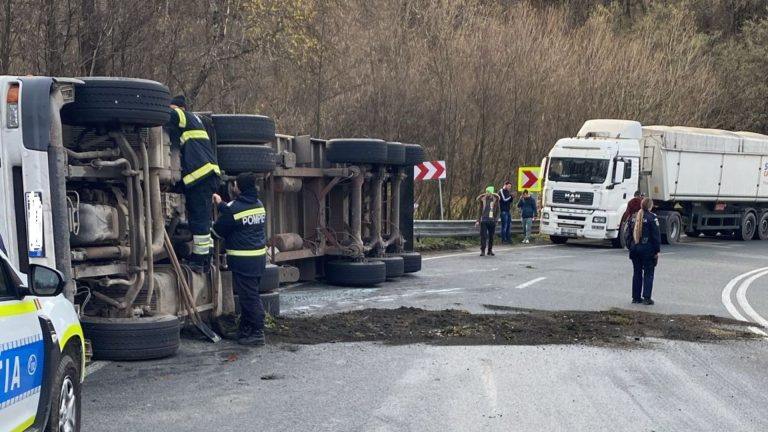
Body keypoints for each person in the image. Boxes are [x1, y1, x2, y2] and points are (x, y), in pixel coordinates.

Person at [212, 172, 268, 346]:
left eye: (235, 184)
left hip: (243, 261)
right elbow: (235, 214)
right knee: (248, 296)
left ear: (240, 187)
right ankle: (246, 330)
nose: (233, 187)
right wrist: (221, 204)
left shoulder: (235, 209)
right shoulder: (259, 205)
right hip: (258, 259)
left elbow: (218, 231)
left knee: (250, 298)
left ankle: (258, 332)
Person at [167, 95, 221, 273]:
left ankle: (199, 261)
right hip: (207, 174)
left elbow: (172, 116)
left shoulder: (185, 116)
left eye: (173, 107)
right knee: (204, 220)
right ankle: (206, 257)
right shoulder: (196, 121)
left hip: (200, 176)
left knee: (198, 220)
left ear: (180, 108)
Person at [626, 197, 661, 305]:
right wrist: (656, 251)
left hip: (635, 249)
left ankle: (635, 297)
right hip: (647, 249)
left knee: (637, 272)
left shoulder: (633, 217)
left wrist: (631, 246)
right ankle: (646, 298)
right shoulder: (652, 218)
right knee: (649, 273)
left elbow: (627, 235)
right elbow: (656, 237)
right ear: (650, 206)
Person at [476, 186, 499, 256]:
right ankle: (482, 250)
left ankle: (490, 250)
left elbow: (498, 211)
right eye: (486, 191)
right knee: (483, 236)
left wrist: (496, 220)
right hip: (484, 220)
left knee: (491, 236)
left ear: (491, 192)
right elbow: (479, 210)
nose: (487, 193)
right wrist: (478, 220)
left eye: (488, 191)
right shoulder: (483, 199)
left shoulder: (496, 200)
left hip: (492, 221)